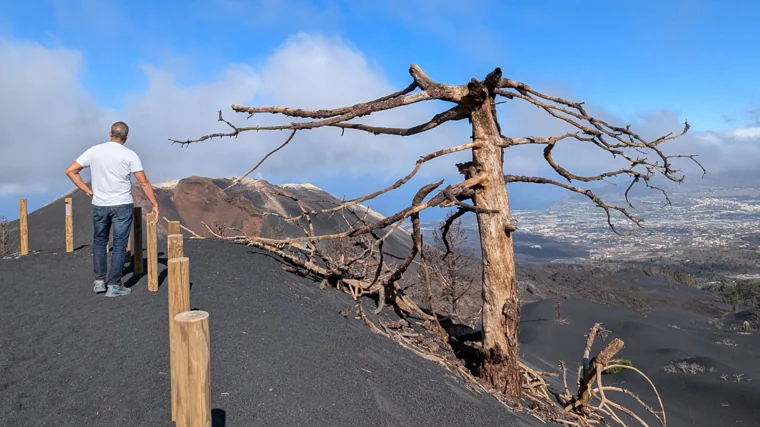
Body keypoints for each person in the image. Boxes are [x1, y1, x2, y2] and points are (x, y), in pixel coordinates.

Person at [65, 121, 159, 297]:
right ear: (127, 137)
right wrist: (154, 204)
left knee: (100, 241)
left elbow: (70, 170)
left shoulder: (94, 151)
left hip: (99, 204)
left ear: (110, 134)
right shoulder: (130, 155)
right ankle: (114, 285)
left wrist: (86, 190)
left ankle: (99, 282)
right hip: (122, 204)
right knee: (119, 244)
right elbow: (143, 182)